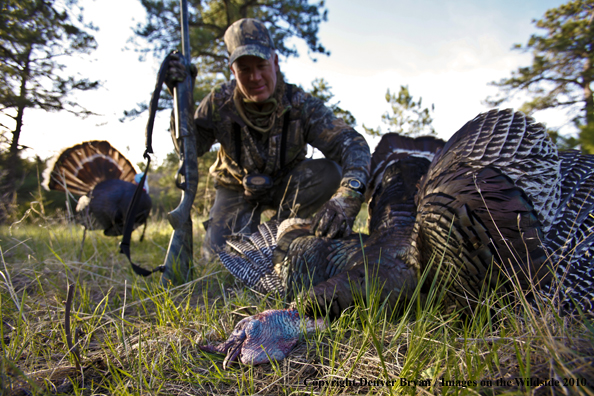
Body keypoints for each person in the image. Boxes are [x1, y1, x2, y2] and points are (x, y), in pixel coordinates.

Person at [166, 18, 371, 260]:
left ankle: (279, 234)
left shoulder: (300, 104)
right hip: (235, 188)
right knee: (220, 260)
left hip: (287, 187)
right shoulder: (218, 102)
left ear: (275, 62)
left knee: (329, 172)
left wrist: (349, 195)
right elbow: (189, 148)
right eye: (244, 68)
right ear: (232, 71)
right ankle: (250, 241)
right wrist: (180, 101)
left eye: (261, 65)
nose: (255, 77)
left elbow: (351, 143)